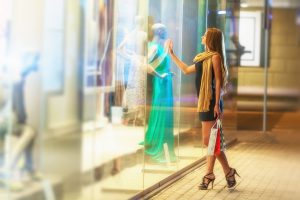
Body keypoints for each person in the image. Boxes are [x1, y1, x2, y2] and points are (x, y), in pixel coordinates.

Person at [168, 28, 239, 189]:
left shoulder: (215, 57)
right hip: (203, 102)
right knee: (211, 141)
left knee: (209, 141)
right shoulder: (201, 58)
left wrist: (216, 104)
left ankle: (211, 173)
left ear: (211, 39)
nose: (202, 36)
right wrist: (172, 55)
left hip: (212, 103)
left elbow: (219, 82)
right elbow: (186, 70)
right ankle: (226, 171)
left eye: (205, 35)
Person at [141, 23, 176, 163]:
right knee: (162, 113)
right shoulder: (155, 47)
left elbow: (157, 64)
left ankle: (159, 141)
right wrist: (160, 75)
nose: (166, 31)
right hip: (162, 84)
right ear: (159, 31)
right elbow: (145, 65)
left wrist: (167, 54)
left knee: (165, 114)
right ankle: (157, 142)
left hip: (165, 83)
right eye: (164, 29)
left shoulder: (159, 47)